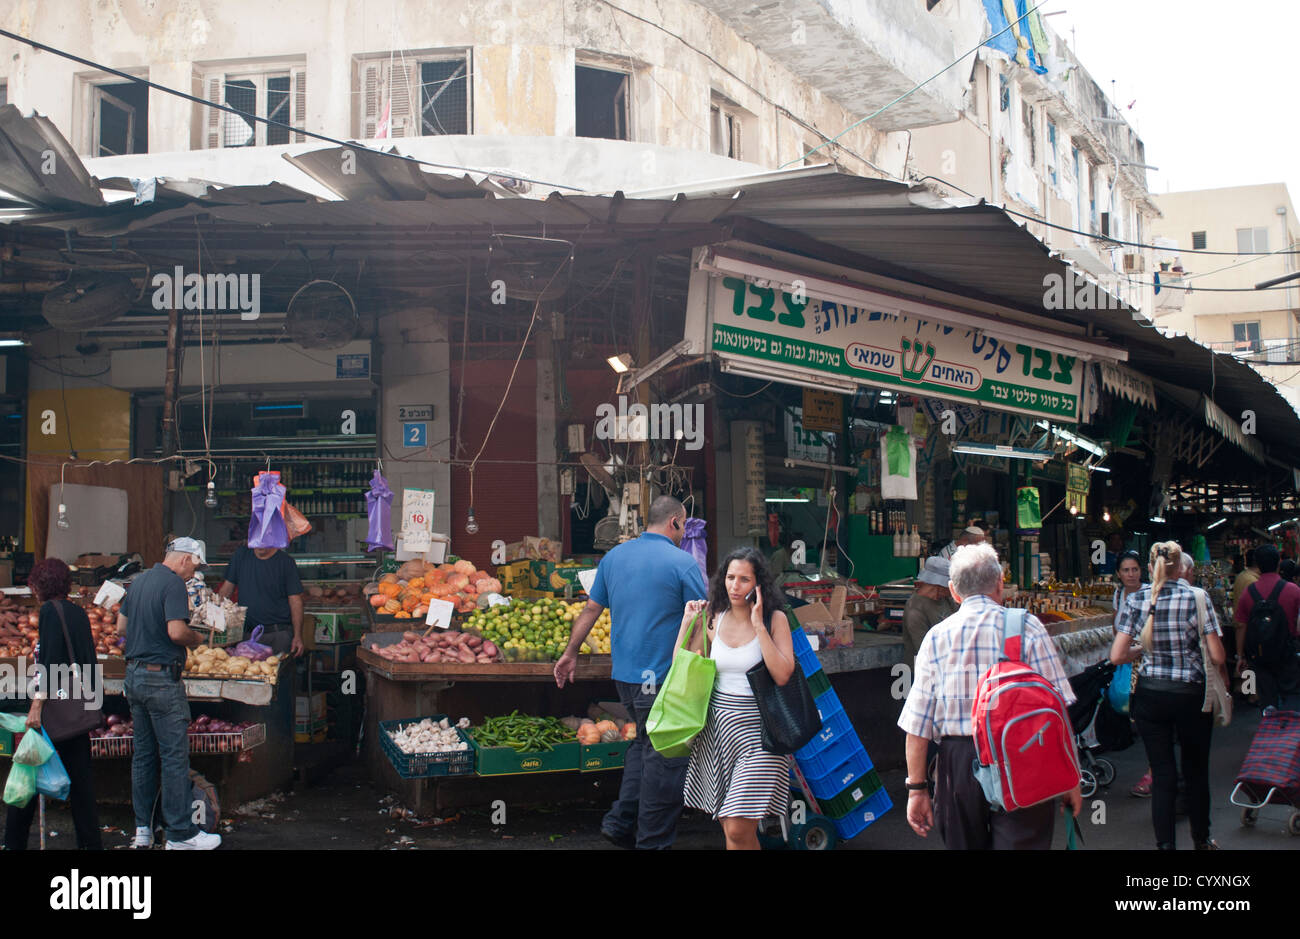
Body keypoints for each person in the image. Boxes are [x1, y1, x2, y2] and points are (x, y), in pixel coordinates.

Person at [899, 543, 1080, 849]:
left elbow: (918, 726)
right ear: (1000, 584)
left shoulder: (937, 638)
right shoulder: (1028, 627)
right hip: (1024, 753)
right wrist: (1070, 778)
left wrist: (917, 790)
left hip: (958, 763)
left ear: (954, 591)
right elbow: (1058, 709)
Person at [554, 495, 707, 850]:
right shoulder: (682, 563)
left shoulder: (614, 557)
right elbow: (701, 620)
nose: (683, 532)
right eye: (683, 526)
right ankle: (652, 841)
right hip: (659, 677)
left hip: (625, 676)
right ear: (675, 523)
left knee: (642, 744)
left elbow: (591, 609)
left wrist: (569, 653)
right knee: (664, 759)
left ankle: (621, 823)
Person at [1111, 542, 1225, 850]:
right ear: (1182, 568)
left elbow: (1117, 654)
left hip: (1150, 695)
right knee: (1196, 769)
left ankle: (1165, 846)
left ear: (1150, 568)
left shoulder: (1137, 600)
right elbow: (1217, 654)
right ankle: (1201, 840)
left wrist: (1141, 649)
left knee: (1162, 773)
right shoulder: (1197, 598)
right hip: (1191, 695)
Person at [680, 547, 795, 850]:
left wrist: (758, 626)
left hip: (761, 735)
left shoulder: (775, 620)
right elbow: (686, 667)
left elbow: (783, 674)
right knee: (735, 833)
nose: (734, 585)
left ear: (759, 585)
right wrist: (686, 624)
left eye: (744, 579)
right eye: (730, 577)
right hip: (717, 732)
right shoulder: (714, 617)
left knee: (736, 826)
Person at [116, 538, 220, 850]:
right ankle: (180, 835)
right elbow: (177, 632)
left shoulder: (138, 582)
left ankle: (143, 832)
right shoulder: (174, 585)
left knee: (144, 757)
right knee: (174, 757)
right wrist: (196, 637)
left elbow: (121, 627)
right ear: (185, 559)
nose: (193, 573)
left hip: (134, 676)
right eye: (195, 566)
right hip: (161, 678)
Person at [3, 559, 102, 850]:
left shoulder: (49, 612)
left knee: (28, 773)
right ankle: (90, 844)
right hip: (77, 709)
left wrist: (36, 706)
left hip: (55, 707)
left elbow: (50, 662)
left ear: (40, 585)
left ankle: (14, 842)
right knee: (82, 784)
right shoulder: (78, 613)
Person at [1233, 544, 1300, 710]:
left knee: (1267, 701)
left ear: (1257, 565)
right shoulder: (1293, 590)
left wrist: (1241, 656)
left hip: (1260, 657)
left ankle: (1270, 729)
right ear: (1278, 563)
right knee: (1290, 699)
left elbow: (1241, 626)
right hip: (1287, 655)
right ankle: (1288, 731)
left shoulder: (1248, 593)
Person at [217, 542, 305, 657]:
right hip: (246, 636)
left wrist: (297, 635)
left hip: (278, 635)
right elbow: (227, 589)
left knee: (277, 672)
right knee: (245, 672)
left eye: (265, 539)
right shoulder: (241, 555)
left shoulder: (286, 562)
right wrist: (213, 616)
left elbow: (295, 601)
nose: (260, 544)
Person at [902, 557, 958, 671]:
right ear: (939, 585)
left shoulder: (947, 600)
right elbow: (925, 651)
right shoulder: (915, 609)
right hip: (923, 673)